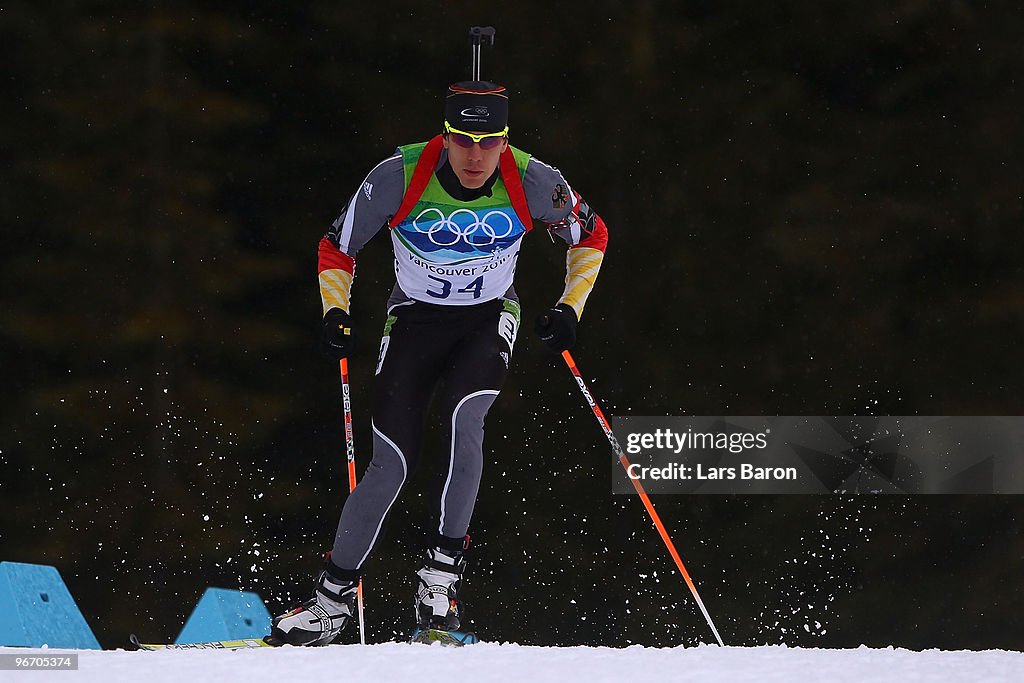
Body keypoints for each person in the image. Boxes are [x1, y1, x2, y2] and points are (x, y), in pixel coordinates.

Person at [271, 81, 609, 646]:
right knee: (391, 463)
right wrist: (335, 311)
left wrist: (570, 307)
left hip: (488, 318)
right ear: (445, 135)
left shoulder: (534, 182)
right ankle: (330, 604)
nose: (476, 156)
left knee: (465, 419)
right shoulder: (397, 176)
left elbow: (590, 235)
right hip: (413, 323)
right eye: (464, 140)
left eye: (489, 142)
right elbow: (338, 247)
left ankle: (439, 588)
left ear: (505, 140)